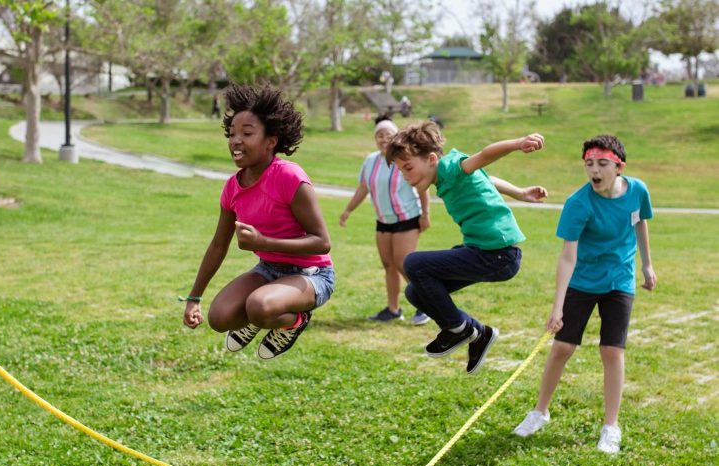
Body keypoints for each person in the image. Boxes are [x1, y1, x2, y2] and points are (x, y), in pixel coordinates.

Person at [513, 135, 655, 454]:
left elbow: (640, 223)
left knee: (612, 351)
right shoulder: (578, 203)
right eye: (589, 164)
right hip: (583, 280)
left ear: (618, 167)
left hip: (619, 279)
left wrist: (647, 265)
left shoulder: (637, 191)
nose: (594, 170)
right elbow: (567, 256)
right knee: (562, 346)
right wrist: (557, 307)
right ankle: (539, 412)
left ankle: (611, 426)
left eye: (602, 164)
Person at [182, 85, 334, 360]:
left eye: (247, 134)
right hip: (268, 270)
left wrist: (264, 242)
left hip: (312, 275)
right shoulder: (232, 187)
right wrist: (194, 298)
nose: (236, 140)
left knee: (259, 307)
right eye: (232, 134)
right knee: (220, 318)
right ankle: (258, 318)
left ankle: (294, 321)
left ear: (270, 141)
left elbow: (322, 242)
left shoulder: (289, 177)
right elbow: (218, 245)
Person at [385, 121, 548, 374]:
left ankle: (459, 329)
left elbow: (484, 157)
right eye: (401, 172)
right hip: (483, 252)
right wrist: (519, 193)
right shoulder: (447, 177)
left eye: (408, 168)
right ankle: (478, 333)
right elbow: (486, 177)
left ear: (430, 159)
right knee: (415, 293)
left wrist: (518, 143)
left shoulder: (451, 167)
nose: (405, 177)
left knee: (413, 263)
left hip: (498, 254)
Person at [339, 114, 431, 325]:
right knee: (388, 264)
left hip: (407, 218)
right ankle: (393, 309)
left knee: (403, 264)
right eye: (379, 135)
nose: (383, 139)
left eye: (387, 134)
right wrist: (348, 210)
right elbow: (363, 188)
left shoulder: (404, 158)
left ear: (396, 137)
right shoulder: (370, 160)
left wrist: (426, 214)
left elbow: (421, 186)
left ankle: (425, 306)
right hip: (383, 220)